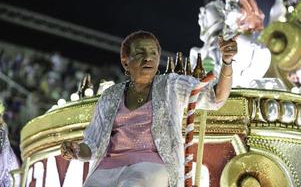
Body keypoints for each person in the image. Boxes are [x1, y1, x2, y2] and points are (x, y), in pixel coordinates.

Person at [60, 30, 237, 187]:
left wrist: (227, 62)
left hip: (152, 165)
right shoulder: (110, 95)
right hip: (108, 168)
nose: (148, 57)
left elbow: (216, 98)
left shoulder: (171, 85)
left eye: (153, 53)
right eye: (140, 53)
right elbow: (92, 145)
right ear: (125, 61)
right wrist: (76, 151)